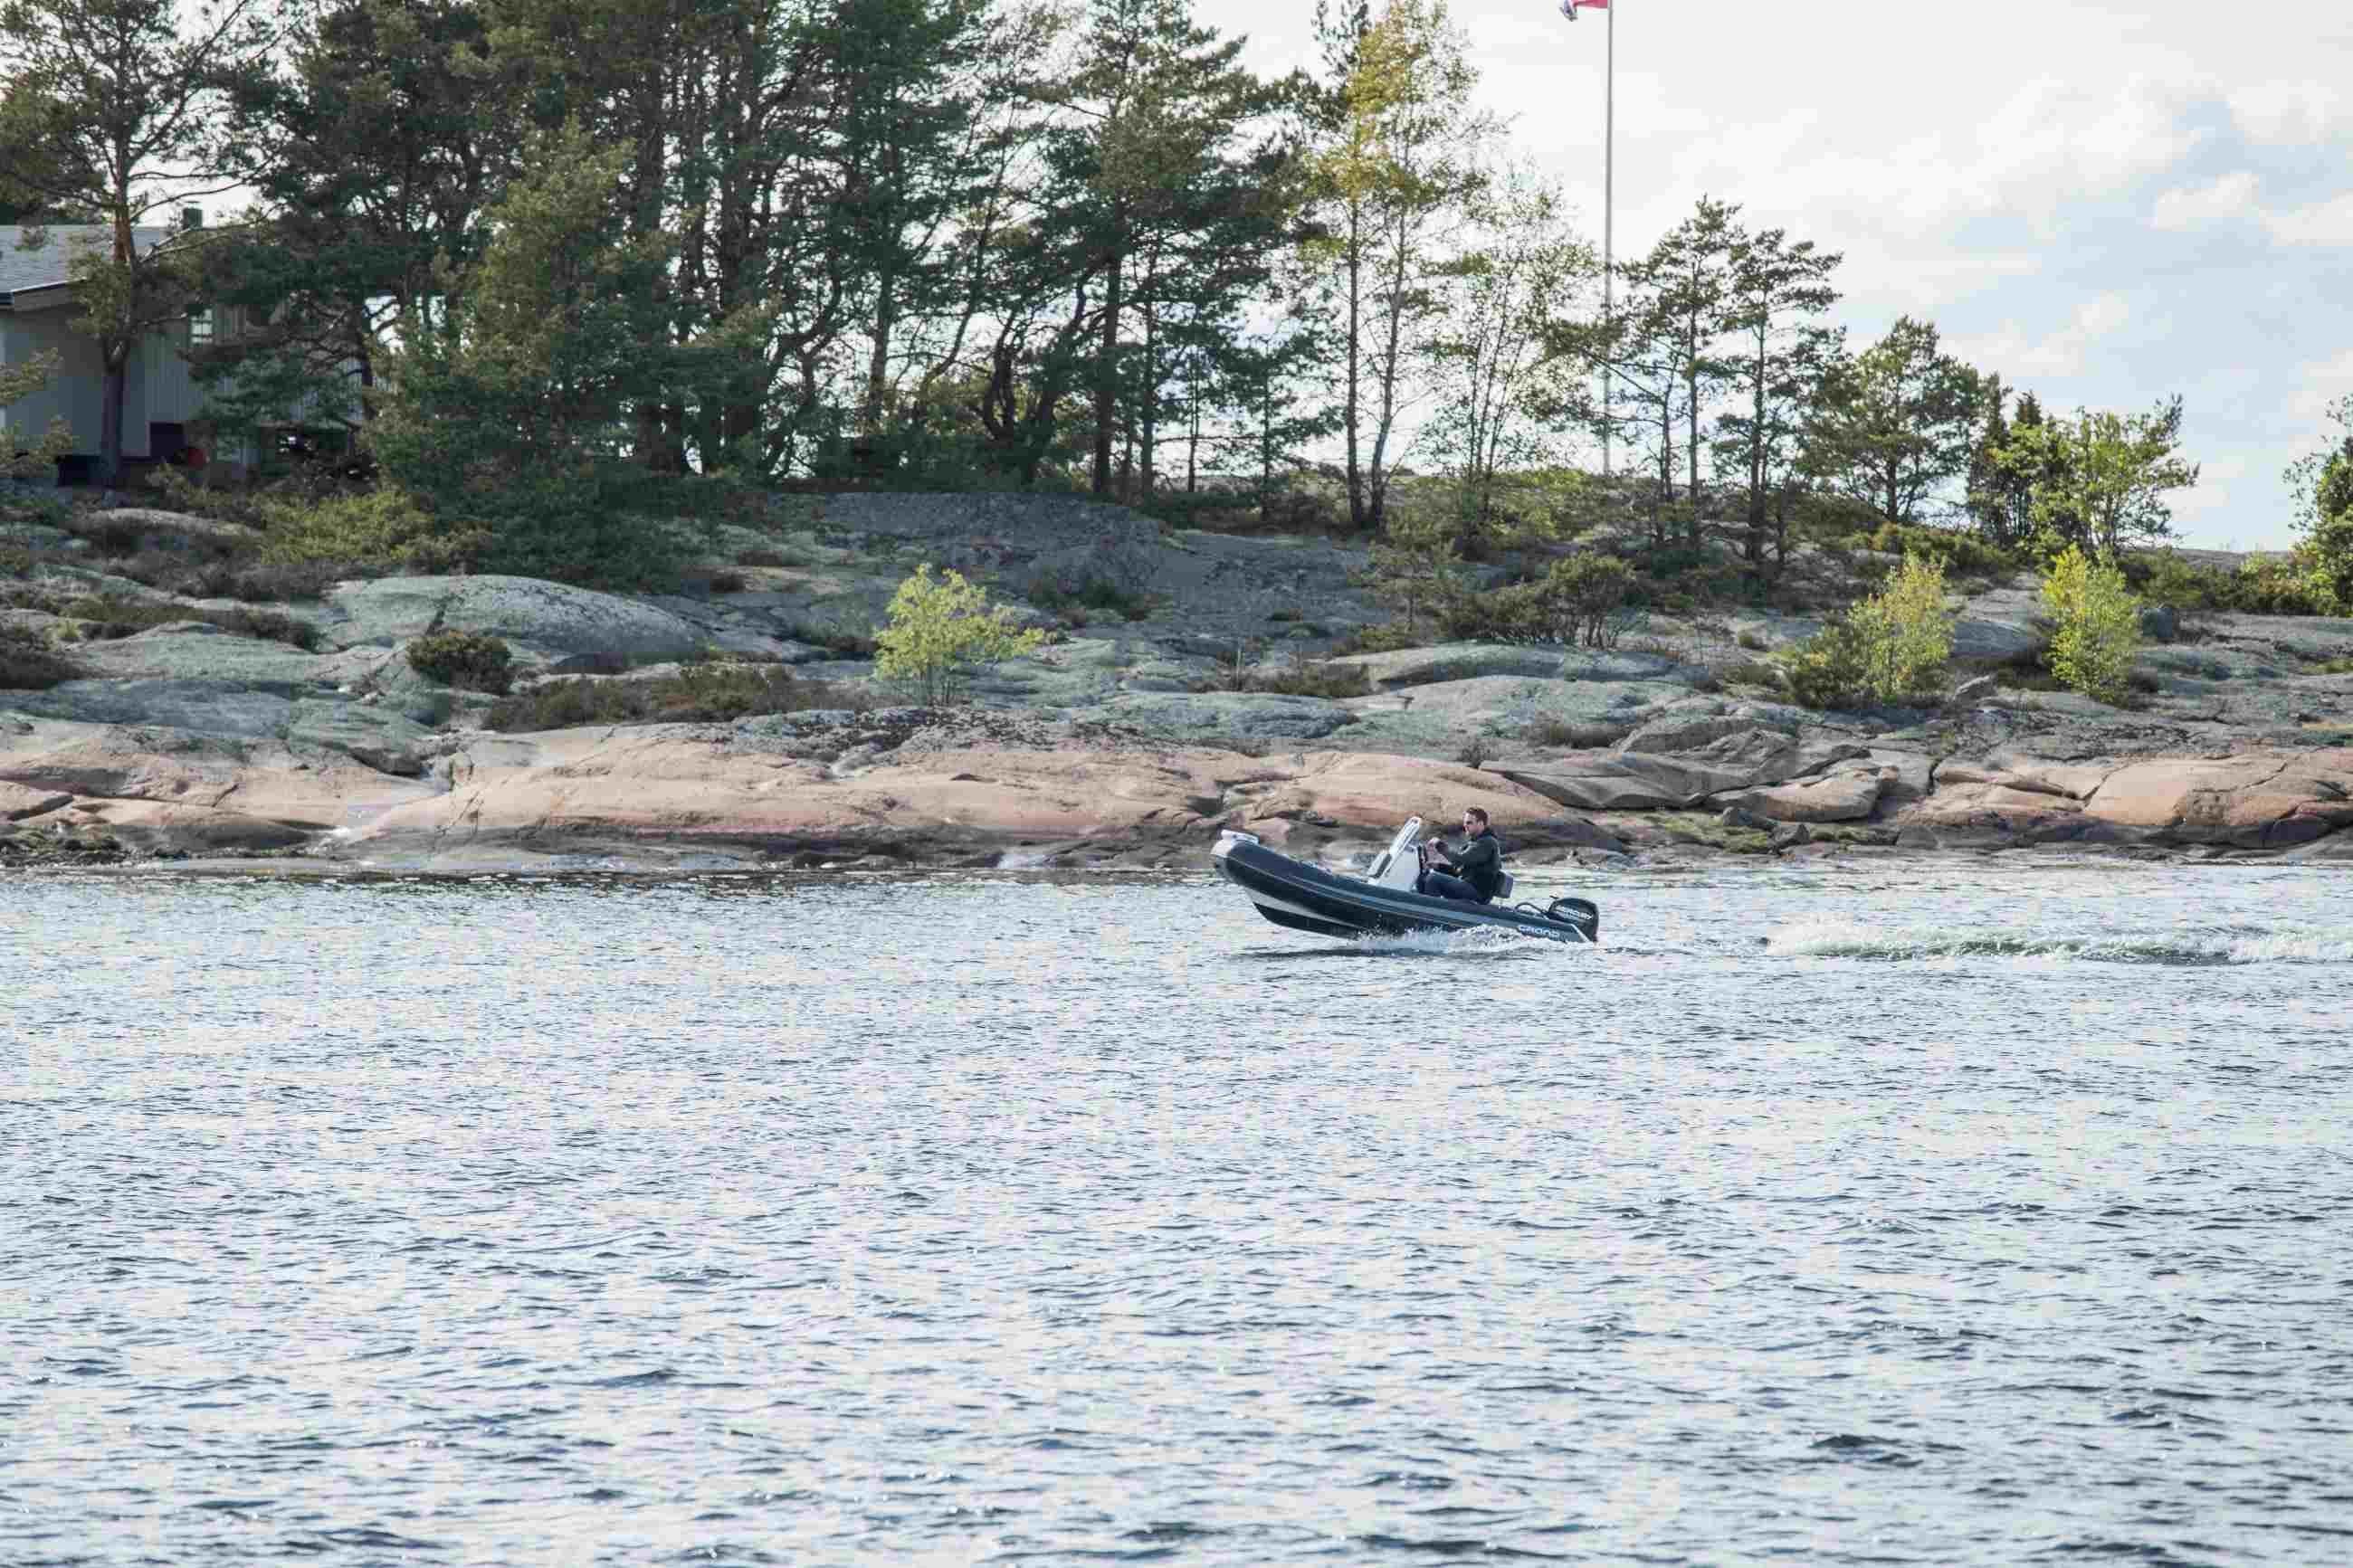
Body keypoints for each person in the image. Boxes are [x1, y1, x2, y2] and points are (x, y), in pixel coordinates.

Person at [1417, 806, 1505, 904]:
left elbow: (1460, 860)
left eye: (1469, 823)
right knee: (1424, 878)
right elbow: (1459, 870)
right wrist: (1437, 866)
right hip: (1467, 885)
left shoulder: (1487, 843)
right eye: (1465, 823)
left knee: (1433, 879)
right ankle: (1419, 907)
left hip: (1477, 892)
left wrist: (1439, 845)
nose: (1465, 825)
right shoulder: (1475, 842)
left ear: (1480, 824)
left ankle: (1431, 910)